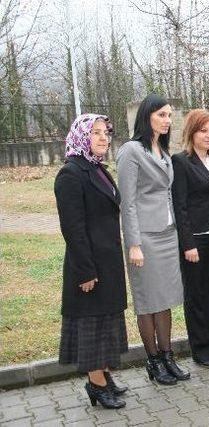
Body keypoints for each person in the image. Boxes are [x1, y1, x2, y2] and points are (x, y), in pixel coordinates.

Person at [55, 114, 128, 409]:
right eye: (95, 133)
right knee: (93, 325)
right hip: (89, 266)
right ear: (81, 136)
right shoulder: (71, 174)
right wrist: (85, 270)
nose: (103, 138)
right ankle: (96, 384)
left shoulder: (98, 169)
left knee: (107, 321)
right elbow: (73, 228)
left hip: (108, 261)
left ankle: (105, 377)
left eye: (105, 133)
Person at [116, 94, 190, 385]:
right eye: (161, 114)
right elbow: (128, 201)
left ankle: (168, 356)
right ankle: (153, 360)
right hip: (143, 239)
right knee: (148, 302)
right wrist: (133, 243)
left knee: (166, 299)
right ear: (146, 116)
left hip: (167, 235)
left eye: (169, 115)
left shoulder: (162, 149)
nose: (167, 120)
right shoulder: (131, 151)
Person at [171, 109, 209, 368]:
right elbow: (179, 206)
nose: (208, 135)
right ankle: (201, 349)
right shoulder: (181, 162)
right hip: (196, 239)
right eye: (203, 130)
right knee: (196, 296)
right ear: (191, 133)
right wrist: (188, 244)